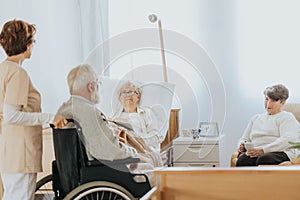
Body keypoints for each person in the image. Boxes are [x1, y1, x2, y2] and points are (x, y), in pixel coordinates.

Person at [56, 64, 161, 185]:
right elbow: (111, 149)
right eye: (98, 84)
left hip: (76, 173)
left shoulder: (64, 110)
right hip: (101, 172)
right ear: (91, 87)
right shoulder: (90, 113)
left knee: (147, 163)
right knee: (158, 175)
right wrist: (132, 156)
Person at [0, 19, 67, 200]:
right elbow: (12, 116)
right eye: (33, 41)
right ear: (27, 44)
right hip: (20, 152)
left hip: (10, 150)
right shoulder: (17, 73)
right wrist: (50, 117)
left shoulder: (4, 69)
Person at [236, 84, 300, 166]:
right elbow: (245, 138)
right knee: (243, 160)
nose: (268, 103)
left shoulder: (286, 117)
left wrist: (263, 150)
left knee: (264, 159)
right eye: (266, 99)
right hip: (256, 152)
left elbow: (287, 140)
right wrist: (241, 144)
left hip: (280, 152)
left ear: (283, 103)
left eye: (273, 101)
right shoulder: (256, 118)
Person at [112, 81, 165, 154]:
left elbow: (156, 137)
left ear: (138, 97)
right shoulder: (114, 116)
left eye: (131, 92)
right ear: (120, 98)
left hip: (140, 150)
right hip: (121, 149)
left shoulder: (147, 113)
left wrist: (136, 141)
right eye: (124, 92)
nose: (128, 95)